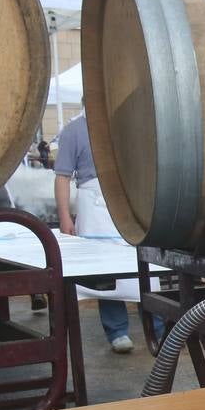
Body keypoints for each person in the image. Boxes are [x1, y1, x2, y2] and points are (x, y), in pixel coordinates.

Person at [54, 113, 156, 354]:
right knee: (106, 274)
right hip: (95, 205)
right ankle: (117, 331)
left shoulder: (130, 124)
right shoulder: (74, 130)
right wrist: (65, 216)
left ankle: (157, 328)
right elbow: (62, 177)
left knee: (144, 269)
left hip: (131, 201)